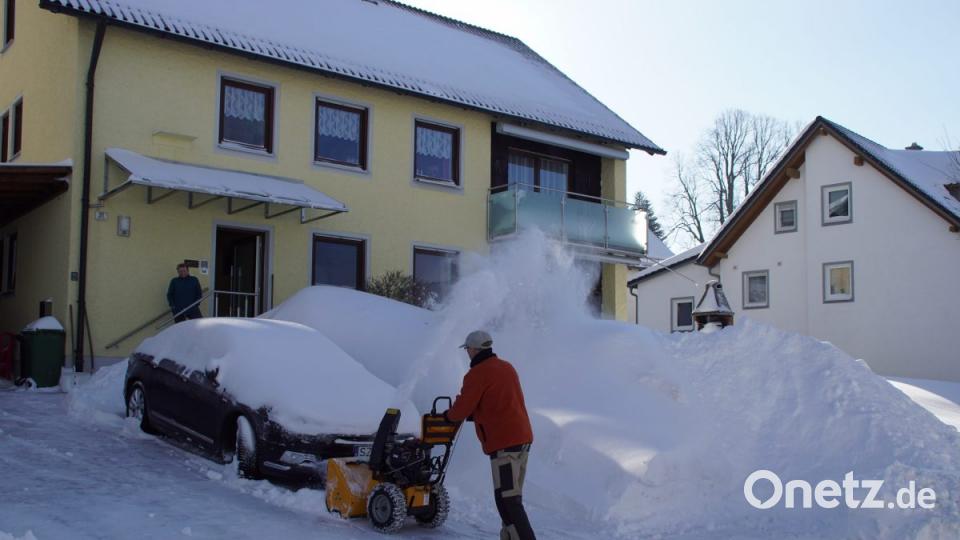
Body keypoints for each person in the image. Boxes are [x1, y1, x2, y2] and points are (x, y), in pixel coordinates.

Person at [445, 330, 536, 540]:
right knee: (509, 497)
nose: (467, 352)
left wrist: (448, 417)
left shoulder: (478, 373)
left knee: (508, 499)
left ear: (475, 349)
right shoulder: (506, 367)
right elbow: (498, 400)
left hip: (505, 443)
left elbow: (461, 408)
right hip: (522, 438)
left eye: (467, 349)